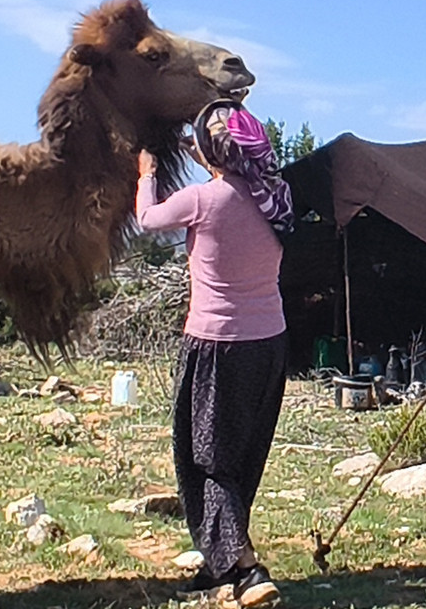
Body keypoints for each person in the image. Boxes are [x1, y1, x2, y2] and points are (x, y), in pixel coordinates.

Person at [134, 103, 291, 608]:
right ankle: (219, 556)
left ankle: (247, 568)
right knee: (242, 454)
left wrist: (147, 174)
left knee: (206, 457)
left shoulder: (201, 200)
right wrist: (209, 155)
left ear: (211, 154)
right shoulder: (275, 198)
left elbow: (147, 220)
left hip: (217, 345)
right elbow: (235, 181)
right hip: (269, 344)